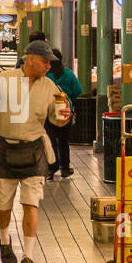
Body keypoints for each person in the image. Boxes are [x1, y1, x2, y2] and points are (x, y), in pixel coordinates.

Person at [0, 40, 71, 263]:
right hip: (7, 150)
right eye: (45, 61)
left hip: (35, 150)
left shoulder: (50, 87)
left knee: (31, 204)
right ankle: (5, 241)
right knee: (3, 208)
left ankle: (28, 257)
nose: (49, 66)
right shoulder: (3, 80)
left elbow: (57, 118)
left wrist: (64, 117)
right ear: (30, 59)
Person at [45, 48, 83, 180]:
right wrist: (68, 98)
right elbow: (78, 90)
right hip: (65, 111)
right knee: (63, 140)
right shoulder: (68, 73)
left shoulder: (45, 76)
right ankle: (65, 168)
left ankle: (51, 169)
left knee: (50, 140)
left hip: (49, 112)